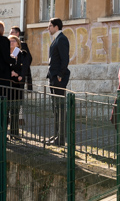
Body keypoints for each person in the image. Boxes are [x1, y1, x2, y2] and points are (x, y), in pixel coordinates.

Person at [46, 17, 70, 145]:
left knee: (60, 108)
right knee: (55, 107)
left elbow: (65, 59)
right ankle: (56, 135)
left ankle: (60, 138)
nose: (48, 28)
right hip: (53, 77)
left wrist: (60, 74)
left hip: (58, 78)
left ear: (56, 26)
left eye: (50, 25)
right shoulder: (56, 39)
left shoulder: (62, 39)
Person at [9, 34, 31, 140]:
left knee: (16, 110)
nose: (11, 43)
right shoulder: (6, 54)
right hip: (8, 85)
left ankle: (15, 133)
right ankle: (6, 132)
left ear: (18, 43)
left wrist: (19, 75)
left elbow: (25, 67)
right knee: (7, 109)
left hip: (18, 84)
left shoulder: (22, 54)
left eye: (13, 41)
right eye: (9, 41)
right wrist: (10, 72)